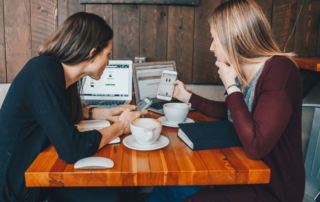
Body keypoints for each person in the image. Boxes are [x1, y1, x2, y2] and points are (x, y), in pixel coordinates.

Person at [147, 0, 305, 201]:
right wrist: (187, 97)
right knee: (166, 188)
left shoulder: (280, 71)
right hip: (245, 172)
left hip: (271, 188)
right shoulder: (243, 71)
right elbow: (234, 115)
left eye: (215, 39)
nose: (212, 47)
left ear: (234, 38)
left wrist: (231, 87)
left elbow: (256, 145)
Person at [0, 12, 146, 202]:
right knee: (110, 197)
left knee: (120, 192)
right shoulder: (43, 72)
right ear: (92, 53)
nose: (108, 62)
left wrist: (102, 112)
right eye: (107, 55)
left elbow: (57, 114)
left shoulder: (57, 73)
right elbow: (72, 149)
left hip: (36, 170)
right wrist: (121, 126)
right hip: (17, 187)